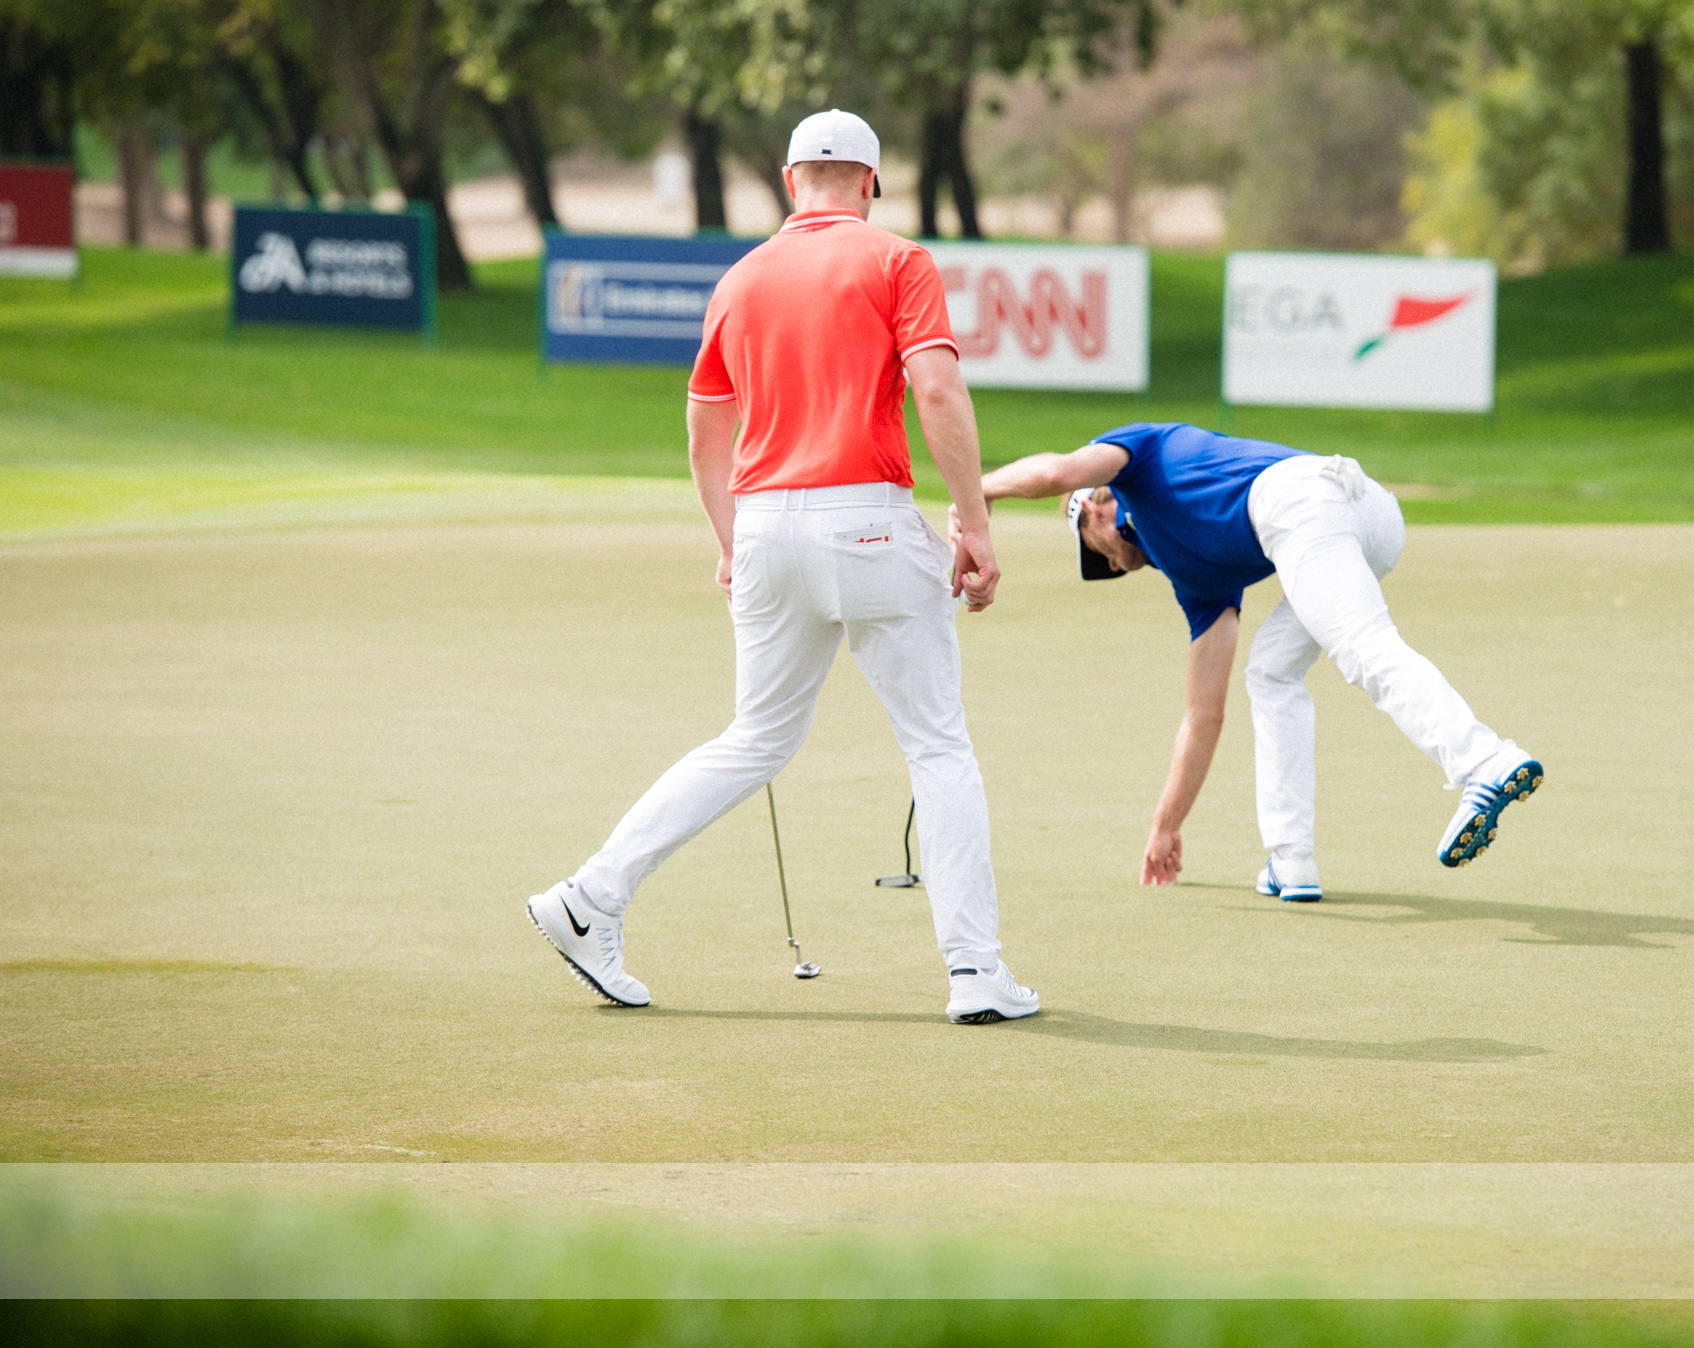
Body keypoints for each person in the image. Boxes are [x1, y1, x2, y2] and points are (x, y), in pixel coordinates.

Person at [526, 109, 1038, 1025]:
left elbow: (703, 435)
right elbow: (936, 387)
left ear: (791, 176)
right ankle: (974, 972)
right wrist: (973, 523)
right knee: (936, 744)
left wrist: (731, 541)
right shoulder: (899, 261)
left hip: (763, 528)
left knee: (755, 739)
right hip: (870, 521)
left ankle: (591, 895)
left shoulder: (742, 275)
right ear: (872, 183)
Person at [968, 422, 1542, 899]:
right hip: (1365, 516)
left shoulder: (1135, 459)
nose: (1111, 569)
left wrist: (982, 490)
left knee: (1364, 648)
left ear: (1094, 511)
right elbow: (1203, 716)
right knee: (1271, 671)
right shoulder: (1194, 580)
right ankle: (1290, 860)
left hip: (1303, 500)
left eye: (1096, 555)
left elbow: (1053, 474)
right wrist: (1166, 825)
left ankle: (1483, 761)